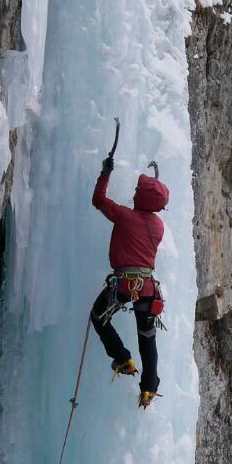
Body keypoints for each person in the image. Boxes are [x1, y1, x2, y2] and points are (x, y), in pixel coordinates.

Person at [90, 150, 169, 408]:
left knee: (99, 316)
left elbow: (99, 200)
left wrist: (105, 172)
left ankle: (122, 358)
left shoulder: (125, 216)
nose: (134, 194)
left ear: (143, 198)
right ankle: (149, 389)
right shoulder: (158, 226)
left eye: (138, 192)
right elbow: (145, 212)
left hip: (124, 286)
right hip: (147, 289)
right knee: (147, 338)